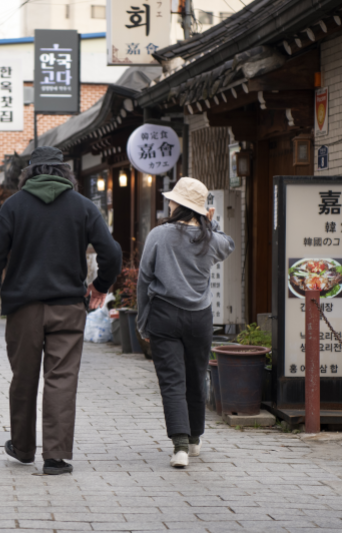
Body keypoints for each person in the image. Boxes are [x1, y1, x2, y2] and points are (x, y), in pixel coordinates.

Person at [0, 146, 122, 475]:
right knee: (62, 379)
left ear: (28, 175)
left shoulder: (13, 207)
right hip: (68, 307)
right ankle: (55, 457)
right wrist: (100, 286)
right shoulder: (83, 207)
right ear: (66, 174)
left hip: (23, 308)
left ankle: (24, 449)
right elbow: (111, 253)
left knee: (24, 378)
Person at [137, 177, 235, 468]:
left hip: (164, 315)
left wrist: (143, 322)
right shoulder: (210, 239)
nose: (168, 203)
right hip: (200, 318)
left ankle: (179, 446)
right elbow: (228, 245)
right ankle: (194, 440)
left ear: (178, 205)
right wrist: (210, 223)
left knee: (172, 381)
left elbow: (144, 280)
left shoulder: (159, 235)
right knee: (196, 376)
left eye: (171, 200)